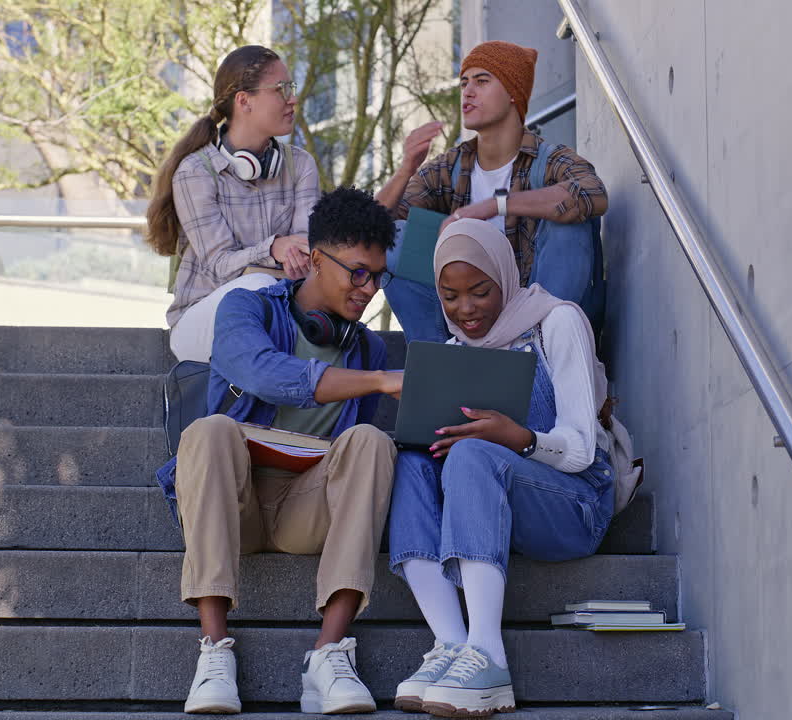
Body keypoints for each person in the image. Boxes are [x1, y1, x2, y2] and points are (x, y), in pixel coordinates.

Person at [386, 219, 640, 717]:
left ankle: (488, 654)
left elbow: (584, 449)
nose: (466, 310)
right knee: (412, 463)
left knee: (475, 452)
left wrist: (519, 438)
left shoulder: (557, 321)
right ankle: (453, 645)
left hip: (578, 504)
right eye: (450, 297)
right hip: (503, 504)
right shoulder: (457, 350)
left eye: (480, 292)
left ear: (505, 276)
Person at [175, 187, 403, 715]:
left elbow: (355, 457)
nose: (369, 289)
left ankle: (329, 655)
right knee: (209, 431)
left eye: (378, 276)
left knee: (371, 441)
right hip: (236, 508)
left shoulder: (365, 345)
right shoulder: (245, 307)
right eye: (358, 273)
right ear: (317, 260)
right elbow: (260, 372)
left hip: (309, 510)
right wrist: (377, 380)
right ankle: (213, 654)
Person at [376, 40, 608, 342]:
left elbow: (592, 194)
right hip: (471, 318)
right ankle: (439, 368)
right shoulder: (450, 167)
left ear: (514, 92)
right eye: (464, 83)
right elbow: (367, 232)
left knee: (570, 222)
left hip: (540, 317)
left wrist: (495, 205)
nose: (468, 92)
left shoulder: (549, 160)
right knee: (393, 237)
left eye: (482, 81)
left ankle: (539, 350)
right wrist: (406, 168)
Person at [146, 44, 321, 362]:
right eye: (281, 89)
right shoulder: (195, 172)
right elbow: (219, 267)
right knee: (258, 286)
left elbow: (305, 254)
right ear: (244, 101)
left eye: (290, 88)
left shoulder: (301, 165)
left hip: (279, 311)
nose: (292, 99)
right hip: (200, 321)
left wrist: (292, 252)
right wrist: (272, 249)